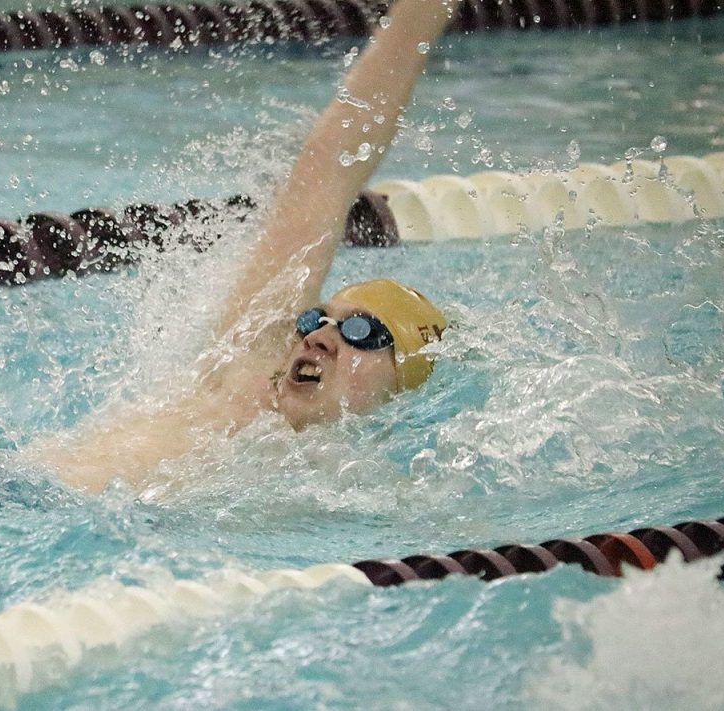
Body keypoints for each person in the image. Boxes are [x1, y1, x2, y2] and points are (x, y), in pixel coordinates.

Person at [27, 0, 458, 493]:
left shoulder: (359, 486)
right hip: (4, 489)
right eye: (314, 320)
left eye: (362, 331)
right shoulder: (245, 370)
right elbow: (329, 163)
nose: (319, 337)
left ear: (400, 387)